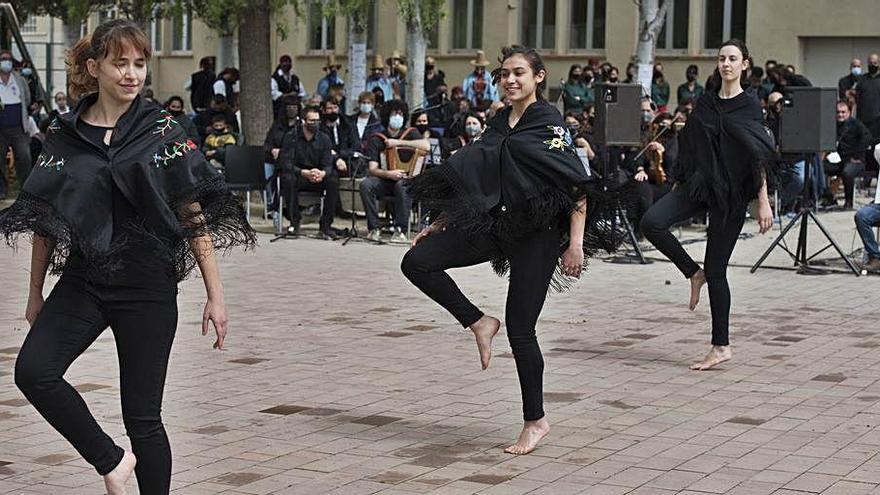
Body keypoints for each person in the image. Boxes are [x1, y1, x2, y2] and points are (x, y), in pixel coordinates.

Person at [0, 20, 254, 494]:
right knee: (34, 371)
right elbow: (45, 216)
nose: (132, 74)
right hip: (84, 281)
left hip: (147, 286)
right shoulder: (65, 133)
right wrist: (34, 292)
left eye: (139, 63)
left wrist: (216, 297)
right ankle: (113, 462)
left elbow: (191, 212)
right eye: (121, 63)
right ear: (95, 67)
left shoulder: (160, 130)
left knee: (144, 417)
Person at [402, 45, 619, 456]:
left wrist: (574, 244)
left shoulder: (549, 124)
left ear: (539, 77)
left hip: (536, 237)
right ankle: (480, 323)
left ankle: (536, 422)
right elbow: (477, 178)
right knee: (418, 261)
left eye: (519, 72)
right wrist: (441, 222)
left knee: (522, 331)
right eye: (504, 74)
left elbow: (577, 187)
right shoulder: (499, 122)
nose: (510, 80)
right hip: (497, 225)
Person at [640, 39, 777, 371]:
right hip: (699, 184)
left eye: (733, 59)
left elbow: (757, 154)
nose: (726, 64)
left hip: (731, 193)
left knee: (718, 270)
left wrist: (763, 201)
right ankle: (692, 273)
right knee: (652, 222)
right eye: (721, 59)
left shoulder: (749, 105)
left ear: (744, 64)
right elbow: (689, 145)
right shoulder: (706, 101)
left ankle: (720, 346)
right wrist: (677, 180)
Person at [359, 99, 430, 243]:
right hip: (385, 180)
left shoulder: (411, 133)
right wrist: (389, 174)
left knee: (402, 185)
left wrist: (398, 142)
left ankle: (400, 230)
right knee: (366, 185)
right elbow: (373, 169)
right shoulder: (377, 139)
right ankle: (374, 228)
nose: (398, 116)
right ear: (386, 116)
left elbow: (426, 145)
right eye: (394, 113)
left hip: (406, 180)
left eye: (400, 113)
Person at [277, 106, 338, 238]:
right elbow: (285, 163)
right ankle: (295, 221)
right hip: (300, 175)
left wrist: (322, 173)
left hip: (317, 176)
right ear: (304, 121)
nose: (315, 124)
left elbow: (328, 164)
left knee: (333, 180)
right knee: (288, 179)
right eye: (312, 121)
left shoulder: (324, 139)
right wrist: (303, 172)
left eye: (317, 120)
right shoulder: (291, 137)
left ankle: (326, 225)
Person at [821, 100, 872, 209]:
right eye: (838, 112)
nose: (840, 115)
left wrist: (857, 156)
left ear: (848, 113)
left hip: (855, 161)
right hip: (840, 160)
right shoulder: (833, 125)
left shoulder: (856, 124)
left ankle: (848, 201)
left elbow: (867, 137)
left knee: (847, 172)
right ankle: (829, 197)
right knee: (819, 168)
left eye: (843, 112)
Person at [0, 49, 32, 199]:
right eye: (3, 59)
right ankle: (2, 190)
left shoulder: (19, 80)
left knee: (24, 157)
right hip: (1, 129)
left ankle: (26, 190)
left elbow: (27, 99)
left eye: (8, 59)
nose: (6, 62)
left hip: (19, 127)